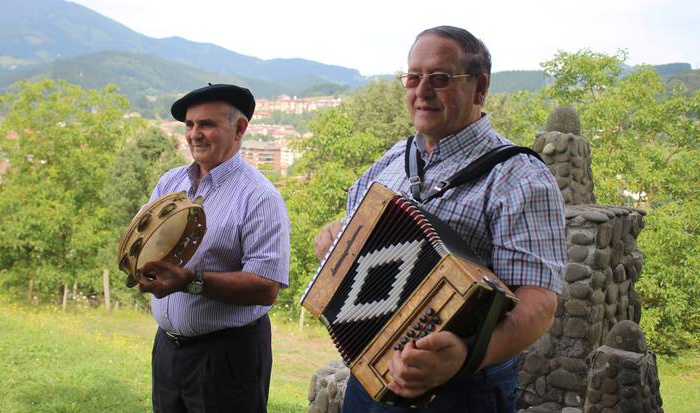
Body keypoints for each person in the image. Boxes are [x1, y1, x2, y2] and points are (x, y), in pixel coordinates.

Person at [313, 26, 566, 412]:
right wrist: (333, 235)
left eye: (441, 78)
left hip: (462, 390)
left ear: (479, 89)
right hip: (369, 377)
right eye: (413, 78)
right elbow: (351, 233)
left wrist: (465, 355)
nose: (422, 90)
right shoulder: (393, 160)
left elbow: (540, 304)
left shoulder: (519, 176)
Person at [137, 83, 290, 413]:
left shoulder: (260, 197)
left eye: (207, 124)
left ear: (240, 129)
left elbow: (266, 288)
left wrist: (190, 280)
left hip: (228, 356)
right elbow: (146, 244)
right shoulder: (170, 182)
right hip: (167, 349)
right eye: (190, 125)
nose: (195, 134)